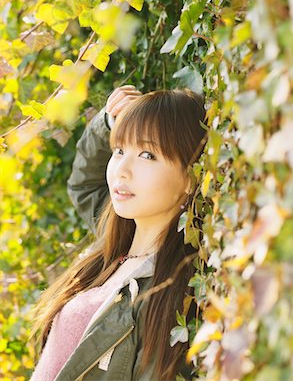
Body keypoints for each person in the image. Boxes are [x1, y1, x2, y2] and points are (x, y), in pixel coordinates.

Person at [28, 85, 208, 381]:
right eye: (120, 150)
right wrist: (110, 123)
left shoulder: (171, 294)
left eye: (147, 154)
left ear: (190, 177)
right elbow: (85, 186)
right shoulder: (114, 245)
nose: (121, 169)